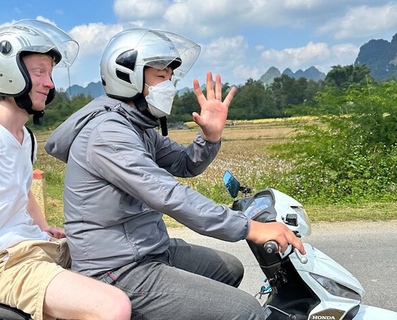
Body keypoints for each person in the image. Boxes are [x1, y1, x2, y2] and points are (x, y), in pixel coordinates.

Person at [45, 28, 305, 320]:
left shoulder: (137, 126)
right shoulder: (108, 133)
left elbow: (185, 164)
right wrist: (248, 227)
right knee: (246, 311)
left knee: (229, 269)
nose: (169, 85)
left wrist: (209, 137)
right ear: (127, 76)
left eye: (171, 77)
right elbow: (167, 194)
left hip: (148, 250)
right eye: (160, 76)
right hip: (116, 269)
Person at [0, 20, 131, 320]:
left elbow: (21, 189)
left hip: (34, 246)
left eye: (51, 74)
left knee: (127, 259)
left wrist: (42, 227)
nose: (50, 83)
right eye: (39, 72)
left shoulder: (24, 137)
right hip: (0, 265)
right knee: (113, 307)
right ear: (5, 74)